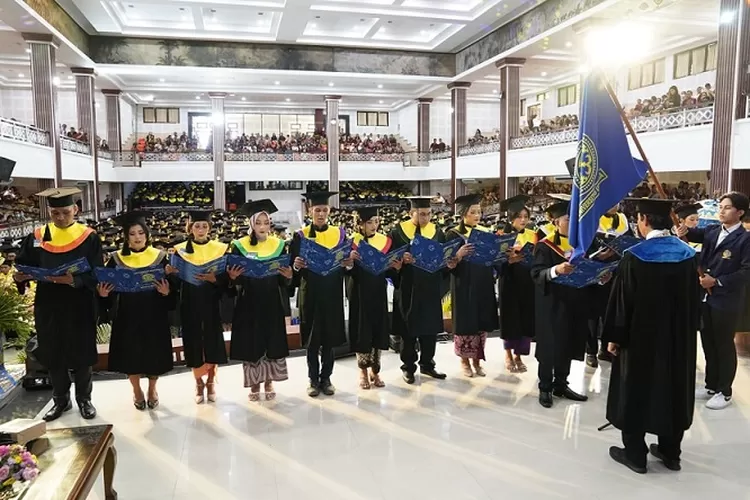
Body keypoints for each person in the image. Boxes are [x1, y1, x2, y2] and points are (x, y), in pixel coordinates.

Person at [604, 198, 701, 474]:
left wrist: (614, 336)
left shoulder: (635, 256)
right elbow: (694, 302)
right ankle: (671, 452)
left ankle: (635, 453)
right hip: (678, 339)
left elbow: (623, 303)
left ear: (644, 220)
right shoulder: (687, 254)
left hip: (640, 339)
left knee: (636, 387)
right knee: (674, 385)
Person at [14, 187, 103, 421]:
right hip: (49, 302)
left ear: (76, 209)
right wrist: (20, 276)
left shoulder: (89, 236)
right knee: (53, 352)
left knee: (82, 353)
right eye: (56, 214)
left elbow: (97, 272)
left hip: (79, 302)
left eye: (66, 212)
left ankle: (85, 399)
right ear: (50, 213)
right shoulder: (37, 236)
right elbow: (24, 264)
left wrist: (75, 280)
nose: (61, 218)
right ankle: (60, 400)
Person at [677, 191, 750, 410]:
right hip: (705, 298)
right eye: (720, 207)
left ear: (740, 212)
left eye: (727, 207)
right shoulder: (712, 231)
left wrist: (717, 282)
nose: (721, 211)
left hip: (726, 299)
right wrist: (683, 230)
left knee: (723, 344)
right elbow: (692, 233)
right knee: (707, 341)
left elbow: (747, 271)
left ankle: (724, 390)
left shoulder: (745, 239)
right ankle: (711, 384)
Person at [97, 211, 174, 410]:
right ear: (126, 237)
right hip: (127, 315)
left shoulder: (160, 257)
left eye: (141, 232)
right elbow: (109, 287)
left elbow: (173, 289)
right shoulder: (116, 259)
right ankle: (136, 389)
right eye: (132, 234)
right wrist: (104, 295)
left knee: (154, 354)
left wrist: (166, 292)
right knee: (130, 355)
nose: (138, 237)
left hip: (154, 313)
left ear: (147, 235)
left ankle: (152, 388)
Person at [227, 200, 293, 401]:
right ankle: (254, 383)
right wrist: (232, 277)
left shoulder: (279, 245)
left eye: (266, 222)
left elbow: (283, 280)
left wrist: (288, 275)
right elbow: (234, 278)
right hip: (249, 301)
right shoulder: (239, 246)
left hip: (272, 300)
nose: (263, 227)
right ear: (251, 224)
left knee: (270, 341)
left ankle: (269, 381)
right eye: (259, 223)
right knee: (251, 342)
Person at [290, 191, 352, 397]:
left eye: (324, 210)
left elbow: (346, 265)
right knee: (312, 339)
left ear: (329, 211)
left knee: (329, 337)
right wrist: (296, 265)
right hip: (310, 292)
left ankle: (326, 378)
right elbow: (292, 266)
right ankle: (312, 379)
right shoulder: (300, 236)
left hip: (332, 291)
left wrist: (348, 264)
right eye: (317, 210)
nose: (321, 213)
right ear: (310, 211)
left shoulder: (340, 235)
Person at [530, 195, 590, 408]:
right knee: (550, 345)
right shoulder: (545, 247)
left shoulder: (581, 246)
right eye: (567, 219)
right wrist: (556, 270)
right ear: (555, 222)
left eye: (574, 219)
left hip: (574, 302)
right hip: (551, 304)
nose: (571, 223)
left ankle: (561, 383)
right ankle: (545, 387)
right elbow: (536, 274)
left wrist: (599, 276)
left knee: (569, 341)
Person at [171, 210, 229, 404]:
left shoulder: (220, 249)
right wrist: (172, 273)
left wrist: (216, 279)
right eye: (197, 226)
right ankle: (198, 383)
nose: (201, 229)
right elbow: (175, 284)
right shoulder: (179, 250)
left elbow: (226, 279)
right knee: (193, 341)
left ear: (210, 228)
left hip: (211, 301)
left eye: (205, 226)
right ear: (190, 228)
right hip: (190, 302)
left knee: (212, 341)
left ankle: (211, 381)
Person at [390, 196, 449, 384]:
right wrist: (401, 260)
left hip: (430, 288)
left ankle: (427, 364)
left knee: (430, 330)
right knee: (408, 330)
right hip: (408, 287)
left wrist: (448, 262)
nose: (426, 218)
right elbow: (391, 260)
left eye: (429, 214)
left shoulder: (437, 232)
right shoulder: (397, 232)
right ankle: (408, 367)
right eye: (422, 214)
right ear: (411, 213)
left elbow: (442, 259)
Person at [348, 206, 400, 389]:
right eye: (369, 222)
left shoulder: (385, 241)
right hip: (359, 292)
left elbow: (392, 270)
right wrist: (349, 263)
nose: (374, 225)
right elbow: (346, 271)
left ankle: (375, 372)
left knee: (378, 330)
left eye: (376, 221)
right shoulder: (351, 243)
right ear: (360, 224)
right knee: (362, 330)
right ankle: (362, 372)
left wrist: (396, 266)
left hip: (378, 291)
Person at [445, 194, 495, 377]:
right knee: (466, 322)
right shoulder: (452, 233)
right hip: (463, 283)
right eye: (473, 212)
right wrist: (458, 255)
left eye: (479, 212)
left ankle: (477, 361)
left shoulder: (485, 232)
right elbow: (447, 262)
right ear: (464, 214)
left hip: (482, 282)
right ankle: (464, 362)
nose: (477, 215)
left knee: (480, 321)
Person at [497, 195, 537, 373]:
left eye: (526, 217)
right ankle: (508, 354)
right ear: (511, 218)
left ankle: (519, 355)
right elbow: (495, 263)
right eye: (519, 216)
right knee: (510, 318)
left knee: (524, 318)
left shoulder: (533, 235)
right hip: (509, 282)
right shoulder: (501, 236)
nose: (523, 220)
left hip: (527, 283)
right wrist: (508, 261)